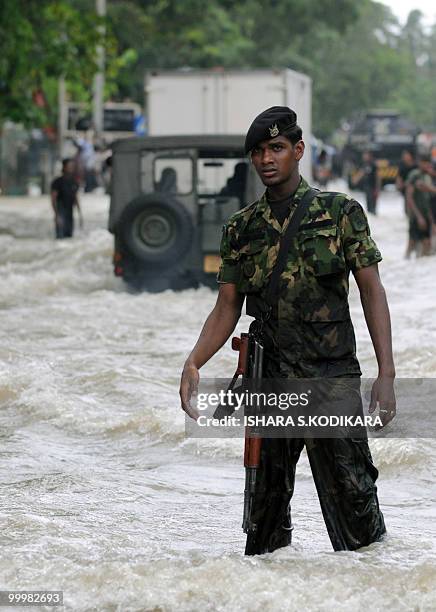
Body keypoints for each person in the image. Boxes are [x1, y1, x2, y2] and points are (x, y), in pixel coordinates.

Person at [179, 106, 396, 556]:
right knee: (264, 519)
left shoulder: (341, 213)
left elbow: (372, 292)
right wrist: (194, 360)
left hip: (331, 380)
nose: (266, 158)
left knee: (358, 514)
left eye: (276, 148)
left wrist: (387, 373)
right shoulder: (240, 229)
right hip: (270, 382)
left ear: (298, 151)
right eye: (258, 151)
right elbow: (227, 306)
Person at [405, 154, 436, 258]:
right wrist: (419, 217)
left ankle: (416, 268)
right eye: (426, 164)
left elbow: (427, 199)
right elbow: (409, 197)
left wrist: (430, 219)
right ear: (420, 163)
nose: (428, 167)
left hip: (425, 214)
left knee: (424, 245)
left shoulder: (426, 176)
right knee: (413, 243)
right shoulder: (415, 175)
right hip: (417, 216)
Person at [50, 158, 82, 239]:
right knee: (60, 238)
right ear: (64, 167)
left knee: (69, 238)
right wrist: (57, 215)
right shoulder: (57, 182)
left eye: (72, 166)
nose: (71, 168)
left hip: (70, 213)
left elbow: (76, 198)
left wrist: (80, 214)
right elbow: (53, 199)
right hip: (61, 212)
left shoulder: (74, 182)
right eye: (69, 166)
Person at [353, 150, 380, 215]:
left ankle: (373, 212)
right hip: (367, 186)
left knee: (373, 200)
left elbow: (378, 176)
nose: (364, 157)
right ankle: (370, 212)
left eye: (365, 155)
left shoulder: (373, 165)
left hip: (373, 185)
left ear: (369, 156)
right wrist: (355, 180)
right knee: (368, 200)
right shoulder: (364, 164)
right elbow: (361, 173)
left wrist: (378, 187)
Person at [396, 149, 417, 214]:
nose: (405, 157)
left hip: (416, 188)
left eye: (406, 155)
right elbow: (399, 177)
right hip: (406, 189)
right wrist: (399, 185)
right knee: (407, 204)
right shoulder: (402, 166)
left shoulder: (416, 166)